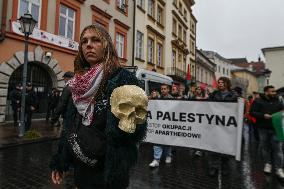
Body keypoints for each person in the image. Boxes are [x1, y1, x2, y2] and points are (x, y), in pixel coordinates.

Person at [50, 24, 147, 189]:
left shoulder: (123, 79)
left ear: (106, 45)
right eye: (84, 41)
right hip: (81, 165)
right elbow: (69, 125)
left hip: (108, 171)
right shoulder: (78, 82)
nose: (88, 45)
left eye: (95, 40)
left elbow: (136, 131)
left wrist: (128, 120)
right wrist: (61, 160)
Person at [250, 85, 284, 179]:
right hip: (263, 128)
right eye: (272, 91)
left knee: (278, 149)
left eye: (274, 91)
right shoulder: (258, 101)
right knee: (265, 148)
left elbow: (282, 111)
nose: (274, 93)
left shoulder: (278, 101)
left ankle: (279, 168)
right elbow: (252, 112)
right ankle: (268, 164)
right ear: (266, 92)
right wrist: (262, 115)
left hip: (276, 129)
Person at [207, 77, 238, 177]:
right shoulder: (214, 94)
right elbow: (207, 106)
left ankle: (225, 167)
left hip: (228, 126)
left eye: (222, 83)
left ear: (227, 84)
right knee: (215, 147)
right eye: (219, 83)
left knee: (226, 147)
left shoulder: (233, 95)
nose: (220, 84)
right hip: (215, 124)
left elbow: (239, 109)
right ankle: (213, 167)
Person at [149, 84, 173, 168]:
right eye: (162, 89)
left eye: (165, 89)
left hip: (167, 124)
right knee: (157, 141)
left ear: (168, 90)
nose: (163, 90)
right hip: (158, 124)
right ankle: (156, 159)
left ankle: (168, 156)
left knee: (167, 142)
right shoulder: (158, 98)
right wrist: (153, 98)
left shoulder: (171, 99)